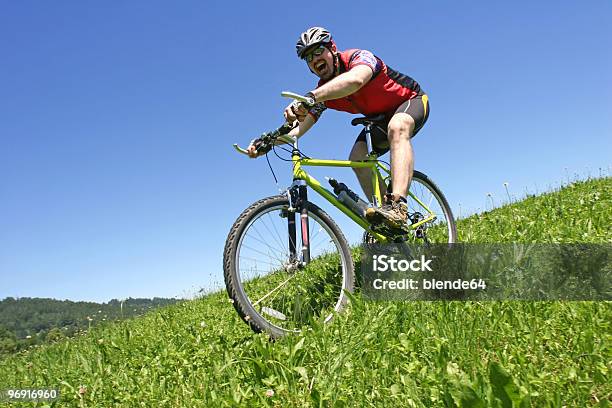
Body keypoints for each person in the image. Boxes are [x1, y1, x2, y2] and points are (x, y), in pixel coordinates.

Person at [247, 27, 429, 230]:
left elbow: (356, 80)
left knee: (397, 126)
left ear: (332, 48)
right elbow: (297, 131)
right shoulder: (323, 92)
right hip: (378, 121)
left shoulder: (358, 58)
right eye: (308, 58)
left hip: (410, 101)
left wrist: (311, 97)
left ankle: (398, 207)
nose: (315, 59)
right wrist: (268, 143)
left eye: (318, 51)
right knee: (357, 158)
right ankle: (387, 218)